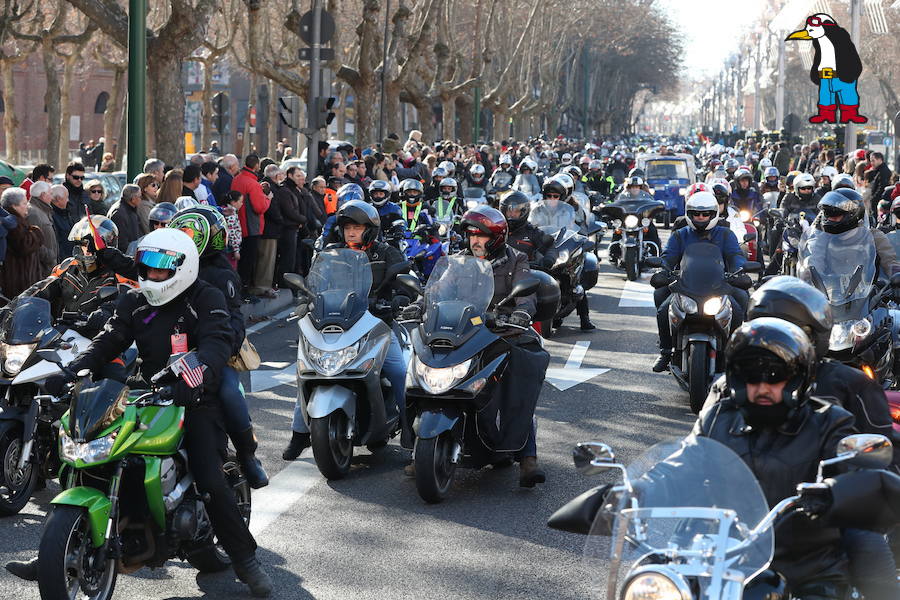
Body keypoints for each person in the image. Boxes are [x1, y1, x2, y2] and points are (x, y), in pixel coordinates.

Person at [5, 229, 272, 596]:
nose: (153, 274)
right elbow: (110, 338)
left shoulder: (205, 297)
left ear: (184, 266)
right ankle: (55, 549)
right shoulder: (134, 300)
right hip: (147, 391)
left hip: (195, 395)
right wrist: (72, 371)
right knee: (84, 459)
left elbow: (216, 343)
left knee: (210, 477)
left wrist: (193, 380)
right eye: (148, 266)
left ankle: (245, 559)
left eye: (163, 268)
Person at [694, 317, 860, 599]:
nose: (762, 388)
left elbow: (856, 480)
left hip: (805, 571)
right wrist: (630, 489)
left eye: (774, 376)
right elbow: (679, 464)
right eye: (750, 377)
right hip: (722, 562)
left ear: (798, 378)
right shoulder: (717, 418)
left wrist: (836, 493)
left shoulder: (830, 424)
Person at [403, 205, 550, 486]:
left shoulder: (516, 259)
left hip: (502, 331)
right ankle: (416, 449)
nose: (475, 241)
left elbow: (526, 295)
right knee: (419, 366)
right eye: (471, 236)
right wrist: (419, 304)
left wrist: (521, 313)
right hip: (461, 331)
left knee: (519, 378)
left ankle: (528, 458)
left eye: (481, 236)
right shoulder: (457, 262)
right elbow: (438, 289)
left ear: (495, 238)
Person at [282, 200, 410, 461]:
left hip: (378, 324)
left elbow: (406, 280)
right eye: (348, 227)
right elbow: (313, 283)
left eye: (358, 227)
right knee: (308, 370)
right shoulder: (331, 254)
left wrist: (400, 297)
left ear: (371, 229)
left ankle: (412, 433)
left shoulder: (387, 253)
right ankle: (299, 434)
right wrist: (304, 300)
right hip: (335, 324)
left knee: (400, 373)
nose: (351, 232)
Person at [167, 207, 268, 489]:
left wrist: (218, 349)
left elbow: (233, 320)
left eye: (191, 234)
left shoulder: (221, 275)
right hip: (170, 351)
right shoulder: (167, 265)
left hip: (211, 354)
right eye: (182, 234)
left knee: (227, 392)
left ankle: (248, 455)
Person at [652, 191, 747, 372]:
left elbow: (735, 256)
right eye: (696, 214)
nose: (701, 218)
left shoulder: (726, 234)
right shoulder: (680, 235)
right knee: (663, 305)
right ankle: (666, 351)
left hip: (719, 285)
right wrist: (663, 269)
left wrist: (739, 271)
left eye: (705, 214)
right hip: (686, 285)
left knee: (740, 302)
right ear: (689, 214)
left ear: (713, 214)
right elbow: (668, 257)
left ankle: (733, 353)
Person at [232, 155, 271, 296]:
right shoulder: (252, 183)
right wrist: (267, 198)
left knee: (241, 262)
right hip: (251, 227)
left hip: (238, 225)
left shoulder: (237, 179)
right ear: (257, 166)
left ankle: (239, 290)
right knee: (249, 262)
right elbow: (259, 207)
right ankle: (245, 292)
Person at [1, 187, 44, 297]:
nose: (27, 206)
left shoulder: (15, 219)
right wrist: (37, 232)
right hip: (18, 283)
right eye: (24, 203)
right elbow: (24, 245)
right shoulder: (13, 222)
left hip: (20, 282)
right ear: (14, 206)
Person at [26, 180, 59, 278]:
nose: (52, 197)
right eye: (50, 194)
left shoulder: (43, 210)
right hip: (41, 271)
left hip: (48, 268)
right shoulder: (33, 213)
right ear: (43, 195)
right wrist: (50, 256)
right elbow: (33, 242)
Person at [107, 184, 143, 252]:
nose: (141, 199)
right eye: (140, 196)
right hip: (124, 256)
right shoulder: (119, 213)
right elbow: (121, 243)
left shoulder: (131, 209)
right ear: (133, 199)